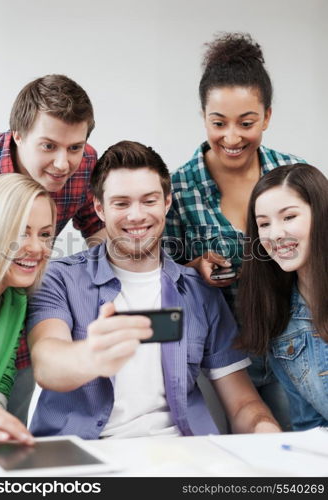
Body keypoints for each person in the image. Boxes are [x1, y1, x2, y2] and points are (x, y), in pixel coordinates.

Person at [26, 140, 280, 438]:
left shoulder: (199, 291)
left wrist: (266, 432)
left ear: (167, 203)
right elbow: (47, 364)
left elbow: (242, 404)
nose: (136, 216)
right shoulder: (58, 279)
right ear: (99, 208)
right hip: (86, 459)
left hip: (180, 458)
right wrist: (92, 356)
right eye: (121, 203)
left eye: (149, 201)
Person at [164, 32, 306, 430]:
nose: (231, 137)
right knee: (223, 457)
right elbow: (163, 276)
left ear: (267, 117)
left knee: (294, 457)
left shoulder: (293, 176)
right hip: (219, 358)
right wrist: (195, 267)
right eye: (218, 122)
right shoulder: (179, 187)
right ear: (202, 117)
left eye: (247, 123)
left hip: (290, 346)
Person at [0, 74, 104, 422]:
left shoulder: (85, 165)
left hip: (11, 326)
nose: (63, 164)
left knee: (1, 428)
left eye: (74, 147)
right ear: (17, 133)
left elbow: (100, 233)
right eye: (49, 146)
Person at [237, 163, 328, 431]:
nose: (275, 234)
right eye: (264, 224)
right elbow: (311, 429)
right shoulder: (280, 323)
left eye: (289, 217)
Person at [0, 173, 56, 443]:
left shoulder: (14, 301)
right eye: (21, 232)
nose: (37, 248)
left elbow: (2, 376)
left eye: (45, 235)